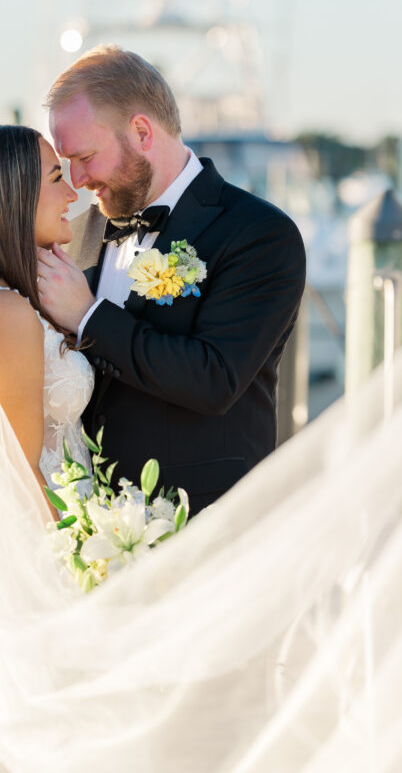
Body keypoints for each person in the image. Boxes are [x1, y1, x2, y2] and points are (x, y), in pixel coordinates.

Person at [0, 124, 402, 773]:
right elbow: (16, 474)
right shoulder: (4, 312)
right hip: (39, 560)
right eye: (55, 177)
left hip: (59, 544)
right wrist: (75, 579)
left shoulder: (17, 298)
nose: (73, 193)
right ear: (12, 195)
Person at [38, 45, 307, 515]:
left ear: (142, 132)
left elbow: (214, 378)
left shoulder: (259, 234)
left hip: (207, 521)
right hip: (91, 525)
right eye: (67, 163)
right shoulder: (75, 237)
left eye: (85, 157)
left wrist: (88, 317)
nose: (77, 181)